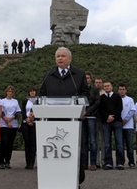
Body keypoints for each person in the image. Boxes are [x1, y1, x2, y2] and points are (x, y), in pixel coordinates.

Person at [38, 46, 89, 185]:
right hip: (51, 121)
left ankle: (75, 180)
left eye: (63, 56)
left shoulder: (78, 74)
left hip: (72, 120)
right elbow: (41, 94)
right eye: (58, 56)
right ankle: (53, 180)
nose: (60, 58)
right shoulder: (49, 74)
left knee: (74, 151)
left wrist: (83, 108)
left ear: (70, 58)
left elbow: (85, 94)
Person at [99, 81, 125, 170]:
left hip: (117, 121)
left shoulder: (117, 96)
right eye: (105, 86)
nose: (106, 87)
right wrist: (107, 117)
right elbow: (100, 109)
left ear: (111, 87)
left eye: (108, 86)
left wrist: (112, 116)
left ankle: (120, 163)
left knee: (119, 143)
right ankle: (108, 163)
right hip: (106, 123)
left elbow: (120, 108)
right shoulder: (101, 97)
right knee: (107, 144)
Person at [0, 85, 21, 169]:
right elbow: (1, 112)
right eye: (9, 91)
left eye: (12, 91)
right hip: (4, 124)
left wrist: (11, 119)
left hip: (13, 124)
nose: (10, 93)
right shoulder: (2, 101)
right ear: (6, 92)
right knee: (4, 141)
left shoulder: (15, 101)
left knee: (10, 143)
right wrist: (7, 121)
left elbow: (18, 112)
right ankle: (1, 161)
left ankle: (7, 161)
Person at [81, 71, 100, 171]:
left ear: (90, 79)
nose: (86, 79)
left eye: (88, 78)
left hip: (91, 117)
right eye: (85, 78)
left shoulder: (95, 90)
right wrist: (81, 112)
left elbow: (97, 103)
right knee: (83, 141)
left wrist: (86, 112)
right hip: (82, 118)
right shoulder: (80, 90)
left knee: (93, 141)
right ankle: (84, 163)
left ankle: (93, 163)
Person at [118, 83, 136, 168]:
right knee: (120, 145)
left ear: (126, 90)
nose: (122, 91)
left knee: (130, 145)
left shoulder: (130, 100)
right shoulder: (116, 99)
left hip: (128, 126)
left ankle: (131, 162)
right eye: (120, 89)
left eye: (123, 89)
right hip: (119, 126)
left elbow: (132, 110)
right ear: (118, 90)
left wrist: (126, 119)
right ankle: (121, 162)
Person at [20, 86, 37, 169]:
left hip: (35, 123)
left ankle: (32, 162)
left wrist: (32, 118)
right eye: (31, 91)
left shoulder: (38, 101)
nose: (32, 92)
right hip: (25, 123)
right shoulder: (25, 100)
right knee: (27, 143)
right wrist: (26, 119)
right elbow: (22, 111)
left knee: (33, 143)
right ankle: (27, 163)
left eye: (34, 91)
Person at [94, 77, 105, 168]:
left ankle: (104, 160)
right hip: (94, 119)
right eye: (96, 82)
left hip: (103, 120)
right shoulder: (93, 93)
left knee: (104, 141)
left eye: (99, 82)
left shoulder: (105, 94)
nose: (98, 84)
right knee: (95, 141)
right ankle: (97, 161)